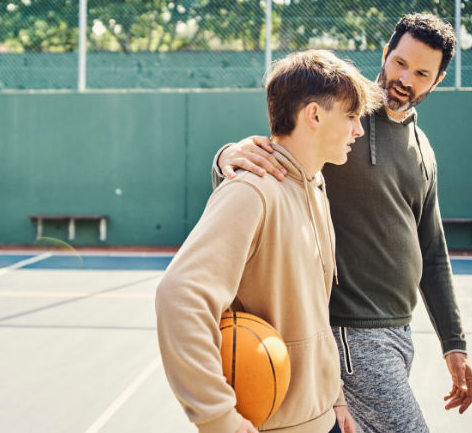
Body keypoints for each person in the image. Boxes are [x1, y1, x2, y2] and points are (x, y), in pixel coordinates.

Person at [214, 14, 472, 432]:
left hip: (399, 332)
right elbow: (277, 152)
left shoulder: (422, 147)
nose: (404, 78)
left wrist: (454, 343)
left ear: (437, 80)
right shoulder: (343, 118)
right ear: (386, 53)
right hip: (351, 332)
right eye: (400, 62)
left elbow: (433, 251)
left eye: (421, 72)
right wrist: (227, 156)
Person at [156, 49, 382, 433]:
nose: (358, 130)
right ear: (313, 115)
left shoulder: (315, 185)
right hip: (275, 424)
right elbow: (179, 295)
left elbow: (313, 308)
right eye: (350, 116)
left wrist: (334, 398)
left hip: (322, 417)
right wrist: (218, 417)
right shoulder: (251, 190)